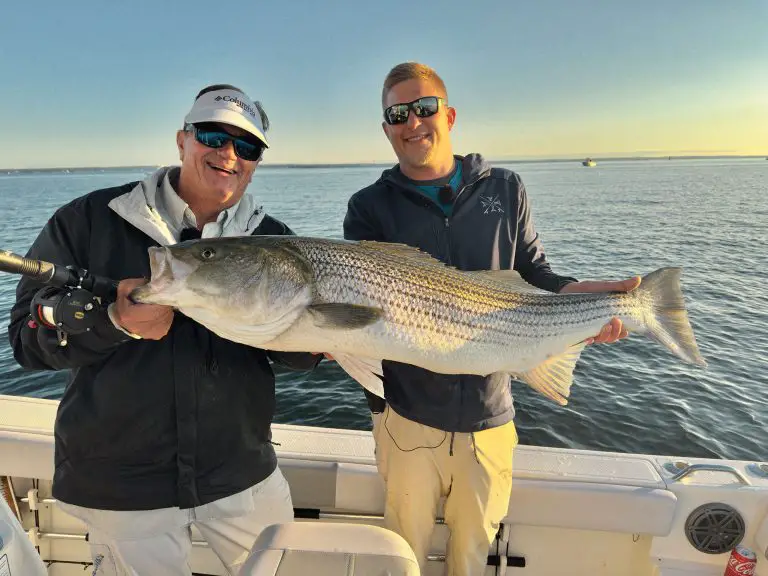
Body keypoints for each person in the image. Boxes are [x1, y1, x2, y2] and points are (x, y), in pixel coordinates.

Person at [7, 84, 323, 575]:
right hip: (122, 483)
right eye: (214, 136)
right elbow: (26, 338)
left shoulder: (276, 241)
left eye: (247, 146)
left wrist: (320, 339)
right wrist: (111, 321)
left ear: (257, 160)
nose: (228, 155)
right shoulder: (88, 220)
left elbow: (297, 357)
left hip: (242, 474)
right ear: (183, 140)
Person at [343, 62, 640, 576]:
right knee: (401, 555)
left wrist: (582, 298)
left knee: (473, 555)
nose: (413, 121)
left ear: (449, 114)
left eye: (424, 107)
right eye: (397, 113)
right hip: (407, 417)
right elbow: (359, 305)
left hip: (489, 415)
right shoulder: (368, 206)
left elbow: (534, 274)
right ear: (386, 127)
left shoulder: (504, 188)